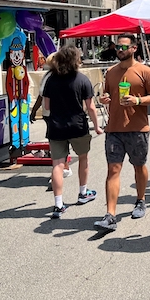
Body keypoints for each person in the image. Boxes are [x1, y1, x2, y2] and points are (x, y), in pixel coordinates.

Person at [94, 33, 150, 232]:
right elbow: (106, 94)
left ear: (134, 48)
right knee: (113, 169)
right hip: (114, 129)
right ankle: (110, 215)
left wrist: (138, 101)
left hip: (137, 128)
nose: (120, 50)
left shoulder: (145, 71)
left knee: (139, 166)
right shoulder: (111, 73)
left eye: (123, 47)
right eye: (117, 47)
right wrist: (104, 99)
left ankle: (141, 200)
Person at [42, 46, 102, 218]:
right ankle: (83, 193)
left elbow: (46, 106)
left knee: (58, 165)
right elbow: (91, 107)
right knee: (83, 159)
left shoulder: (51, 80)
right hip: (78, 126)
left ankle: (58, 204)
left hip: (56, 127)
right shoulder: (82, 79)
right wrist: (97, 126)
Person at [31, 53, 73, 179]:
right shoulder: (49, 76)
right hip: (50, 114)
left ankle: (63, 166)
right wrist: (34, 110)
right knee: (58, 141)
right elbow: (41, 95)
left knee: (60, 141)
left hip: (58, 113)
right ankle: (62, 166)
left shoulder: (63, 76)